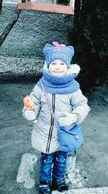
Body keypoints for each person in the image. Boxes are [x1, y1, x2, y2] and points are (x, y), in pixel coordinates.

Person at [22, 41, 90, 194]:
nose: (58, 66)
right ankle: (44, 182)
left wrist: (74, 117)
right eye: (54, 63)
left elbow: (82, 105)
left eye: (62, 63)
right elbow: (33, 103)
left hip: (64, 133)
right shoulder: (41, 86)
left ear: (67, 66)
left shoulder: (73, 87)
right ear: (48, 65)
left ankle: (59, 179)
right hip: (45, 133)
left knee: (61, 160)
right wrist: (30, 112)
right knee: (46, 161)